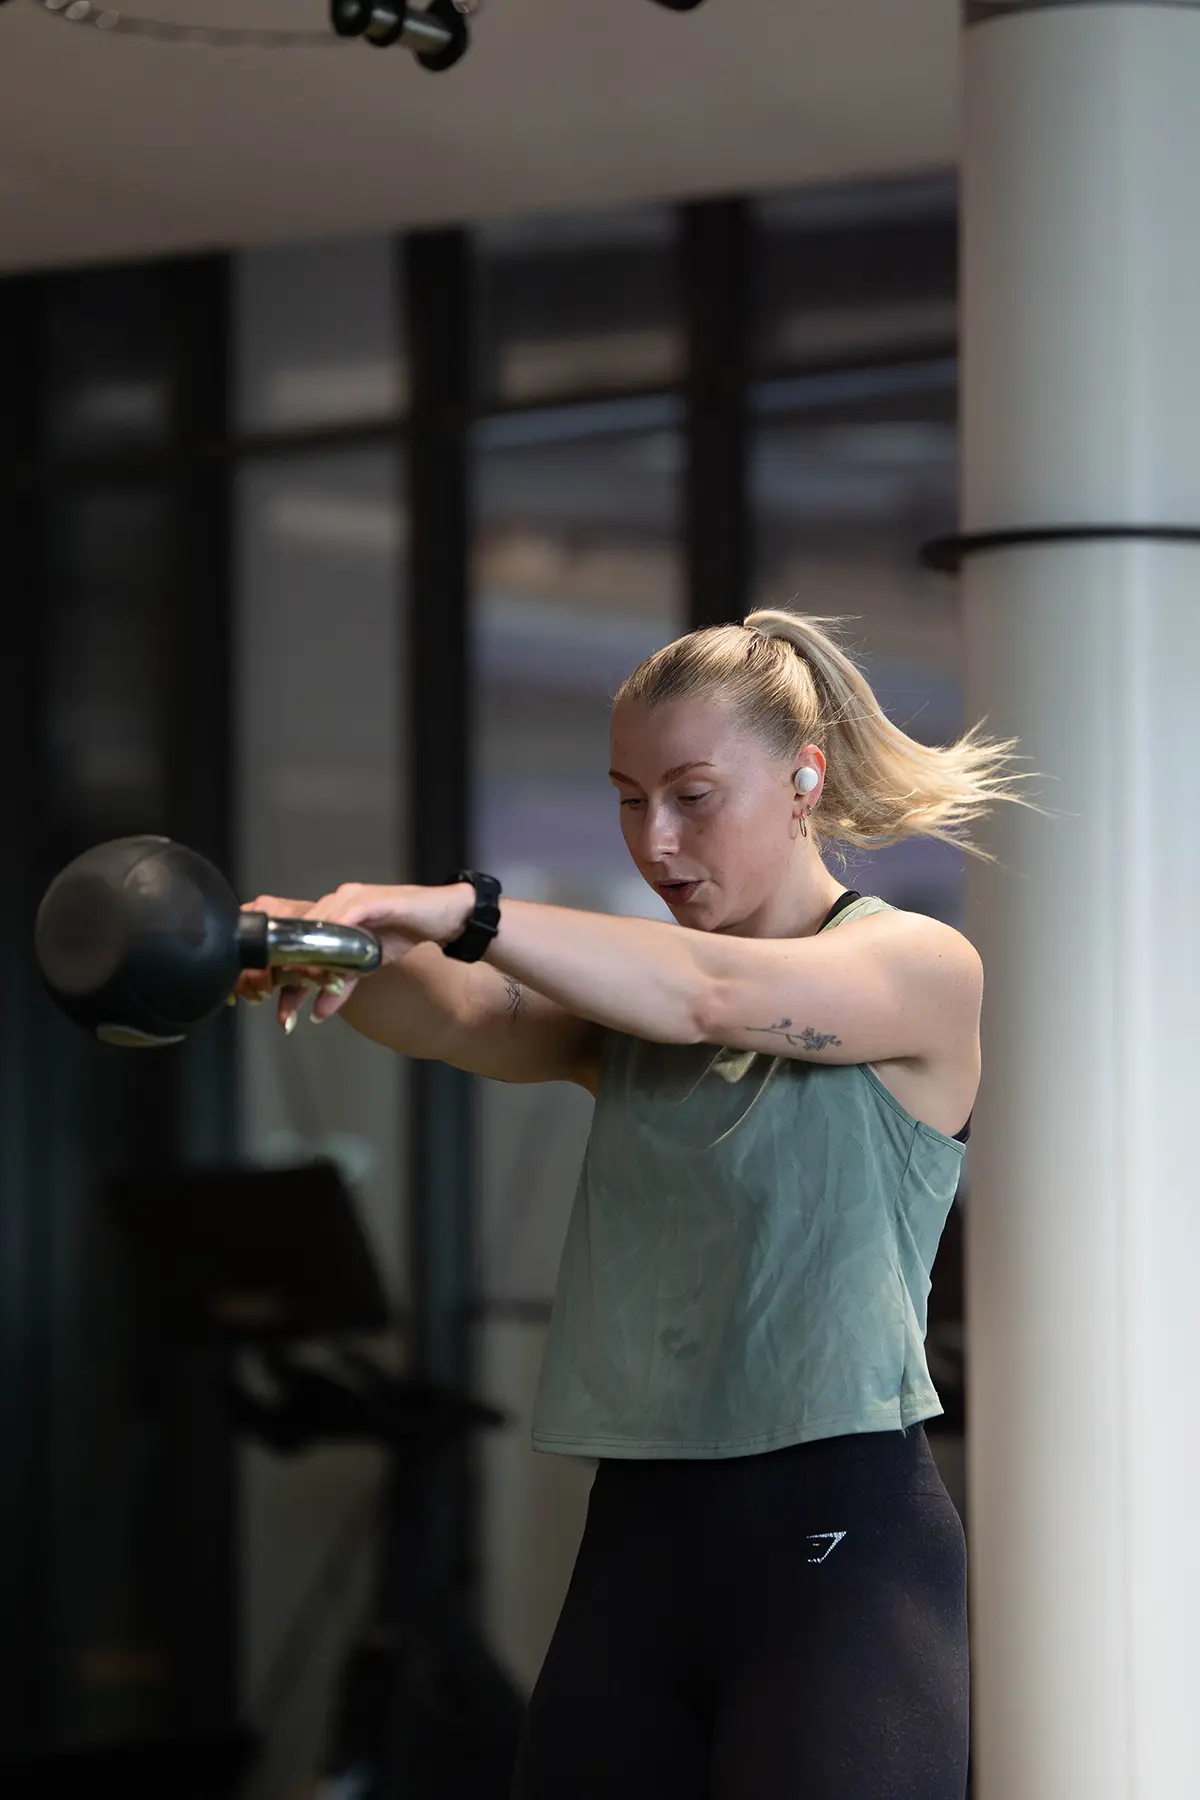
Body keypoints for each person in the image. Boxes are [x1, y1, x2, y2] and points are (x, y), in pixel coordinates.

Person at [240, 610, 1026, 1800]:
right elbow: (467, 1014)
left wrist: (469, 910)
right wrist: (316, 949)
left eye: (693, 796)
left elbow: (711, 995)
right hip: (642, 1544)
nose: (655, 839)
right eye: (628, 799)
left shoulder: (915, 967)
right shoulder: (630, 1009)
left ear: (804, 780)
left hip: (839, 1553)